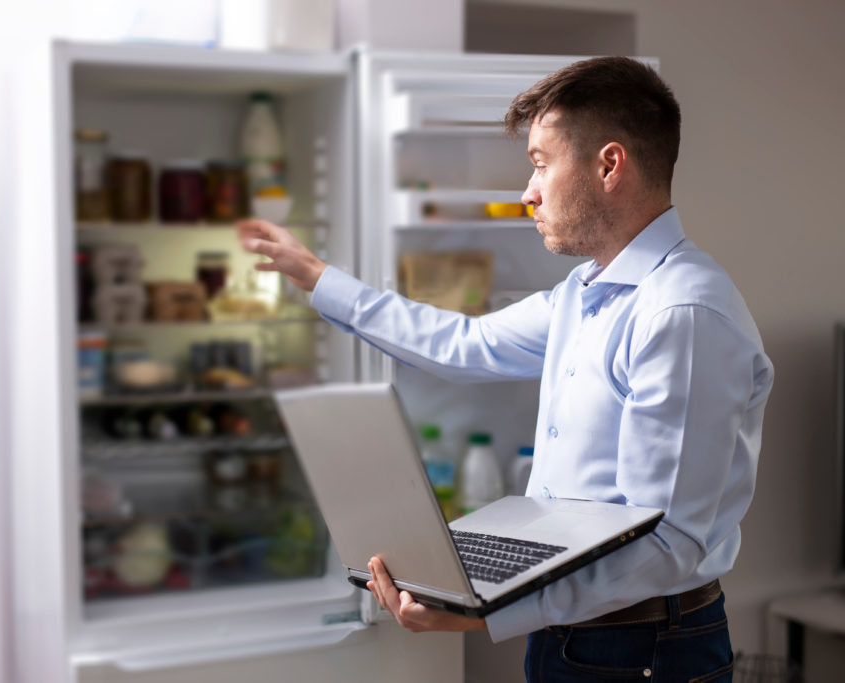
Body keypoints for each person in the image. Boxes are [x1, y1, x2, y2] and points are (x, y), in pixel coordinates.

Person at [237, 56, 773, 683]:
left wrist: (487, 611)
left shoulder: (681, 313)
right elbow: (465, 343)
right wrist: (317, 278)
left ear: (609, 165)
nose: (527, 191)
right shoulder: (586, 292)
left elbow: (667, 543)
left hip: (645, 646)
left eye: (542, 163)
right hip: (574, 635)